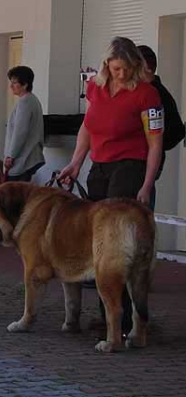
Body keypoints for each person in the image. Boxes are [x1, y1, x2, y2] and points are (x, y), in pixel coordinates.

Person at [58, 36, 164, 336]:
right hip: (99, 166)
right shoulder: (95, 88)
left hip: (130, 166)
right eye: (115, 68)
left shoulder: (147, 95)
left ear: (135, 65)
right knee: (96, 240)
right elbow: (87, 128)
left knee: (117, 243)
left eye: (125, 68)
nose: (121, 74)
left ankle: (128, 321)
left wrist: (147, 182)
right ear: (107, 65)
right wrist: (76, 162)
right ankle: (108, 314)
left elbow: (155, 143)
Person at [137, 45, 185, 210]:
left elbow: (177, 130)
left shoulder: (156, 94)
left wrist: (153, 144)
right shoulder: (148, 92)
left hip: (144, 164)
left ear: (146, 68)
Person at [4, 66, 45, 181]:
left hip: (23, 159)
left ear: (25, 84)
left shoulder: (25, 102)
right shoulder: (32, 100)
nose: (11, 86)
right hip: (28, 157)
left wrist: (11, 156)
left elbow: (20, 132)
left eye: (14, 83)